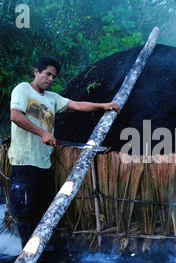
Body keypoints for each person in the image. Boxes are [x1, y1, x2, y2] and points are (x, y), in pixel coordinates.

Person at [8, 56, 120, 248]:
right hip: (24, 161)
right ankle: (27, 252)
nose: (50, 79)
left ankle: (41, 247)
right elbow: (15, 116)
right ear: (37, 72)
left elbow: (76, 105)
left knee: (42, 206)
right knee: (24, 208)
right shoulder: (22, 89)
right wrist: (43, 132)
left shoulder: (52, 98)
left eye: (53, 76)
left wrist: (103, 106)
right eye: (47, 74)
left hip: (43, 162)